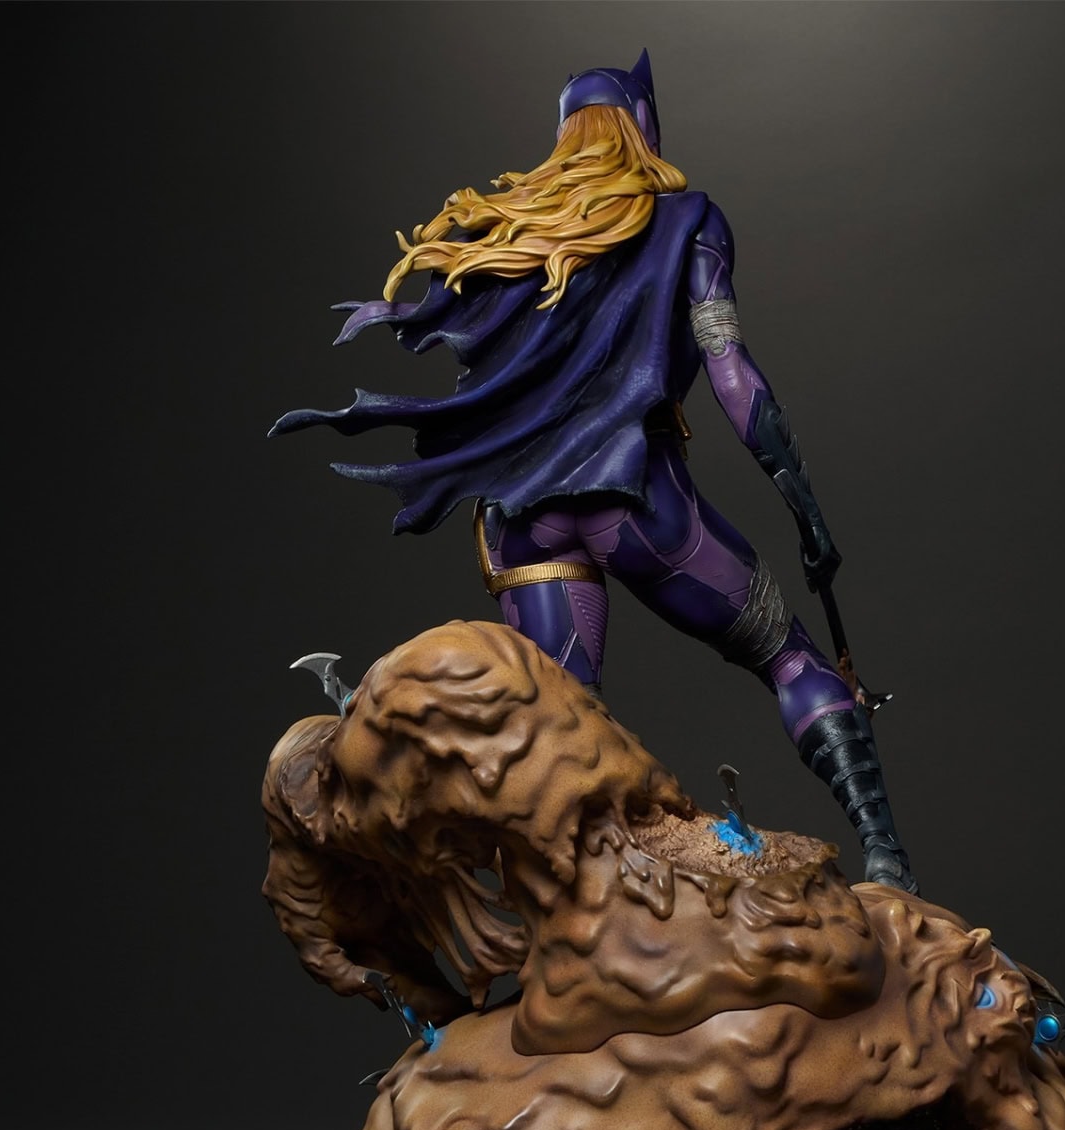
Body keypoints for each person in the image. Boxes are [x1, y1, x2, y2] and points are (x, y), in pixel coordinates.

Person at [272, 52, 918, 894]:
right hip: (640, 505)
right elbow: (733, 375)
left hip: (521, 524)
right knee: (790, 659)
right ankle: (887, 860)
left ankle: (591, 914)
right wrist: (805, 510)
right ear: (643, 126)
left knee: (566, 736)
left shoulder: (510, 233)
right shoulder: (688, 221)